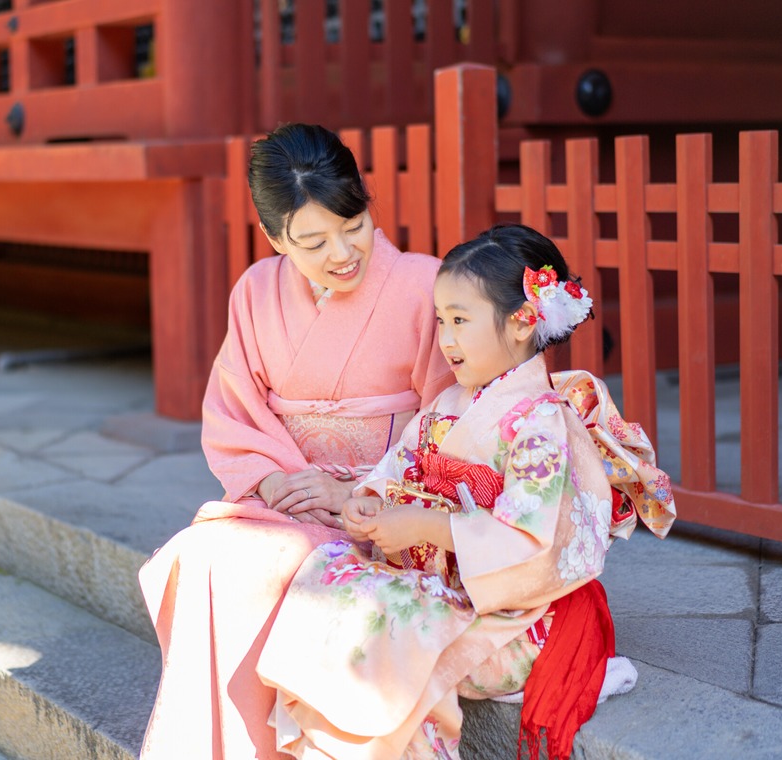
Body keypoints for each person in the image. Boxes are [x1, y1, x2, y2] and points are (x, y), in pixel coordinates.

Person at [256, 224, 676, 760]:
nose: (445, 340)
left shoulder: (542, 421)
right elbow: (398, 470)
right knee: (329, 581)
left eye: (459, 321)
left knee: (379, 629)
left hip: (520, 616)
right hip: (448, 585)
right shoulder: (450, 403)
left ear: (523, 321)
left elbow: (532, 542)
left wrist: (424, 525)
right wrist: (366, 503)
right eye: (440, 321)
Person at [138, 123, 457, 759]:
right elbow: (235, 409)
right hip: (289, 499)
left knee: (252, 566)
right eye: (313, 242)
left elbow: (451, 418)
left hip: (388, 512)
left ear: (367, 202)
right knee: (201, 556)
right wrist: (279, 482)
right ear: (275, 238)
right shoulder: (256, 292)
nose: (343, 252)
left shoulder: (427, 284)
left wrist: (357, 495)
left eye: (354, 225)